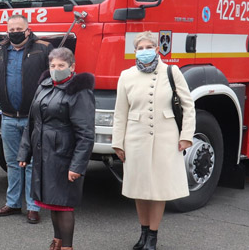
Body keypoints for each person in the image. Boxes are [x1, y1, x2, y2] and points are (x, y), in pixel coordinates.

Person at [112, 31, 195, 250]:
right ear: (135, 51)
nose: (145, 51)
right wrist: (117, 143)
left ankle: (153, 237)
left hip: (166, 138)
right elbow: (120, 112)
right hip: (135, 139)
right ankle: (143, 233)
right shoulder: (126, 76)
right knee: (139, 189)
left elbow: (188, 105)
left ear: (157, 49)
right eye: (140, 48)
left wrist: (186, 136)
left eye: (149, 47)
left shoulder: (171, 71)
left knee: (158, 189)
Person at [18, 48, 95, 250]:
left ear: (72, 67)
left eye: (61, 65)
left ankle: (68, 246)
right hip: (44, 154)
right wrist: (24, 152)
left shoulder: (79, 91)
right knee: (52, 202)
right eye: (53, 66)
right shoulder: (44, 86)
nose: (56, 69)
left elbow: (86, 133)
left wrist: (77, 166)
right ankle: (57, 242)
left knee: (64, 204)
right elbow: (32, 122)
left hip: (64, 155)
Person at [0, 14, 52, 223]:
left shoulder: (43, 49)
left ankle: (33, 207)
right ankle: (13, 203)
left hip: (33, 118)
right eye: (10, 29)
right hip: (8, 118)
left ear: (28, 30)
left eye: (18, 28)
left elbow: (52, 81)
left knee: (31, 164)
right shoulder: (1, 52)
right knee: (12, 163)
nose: (14, 32)